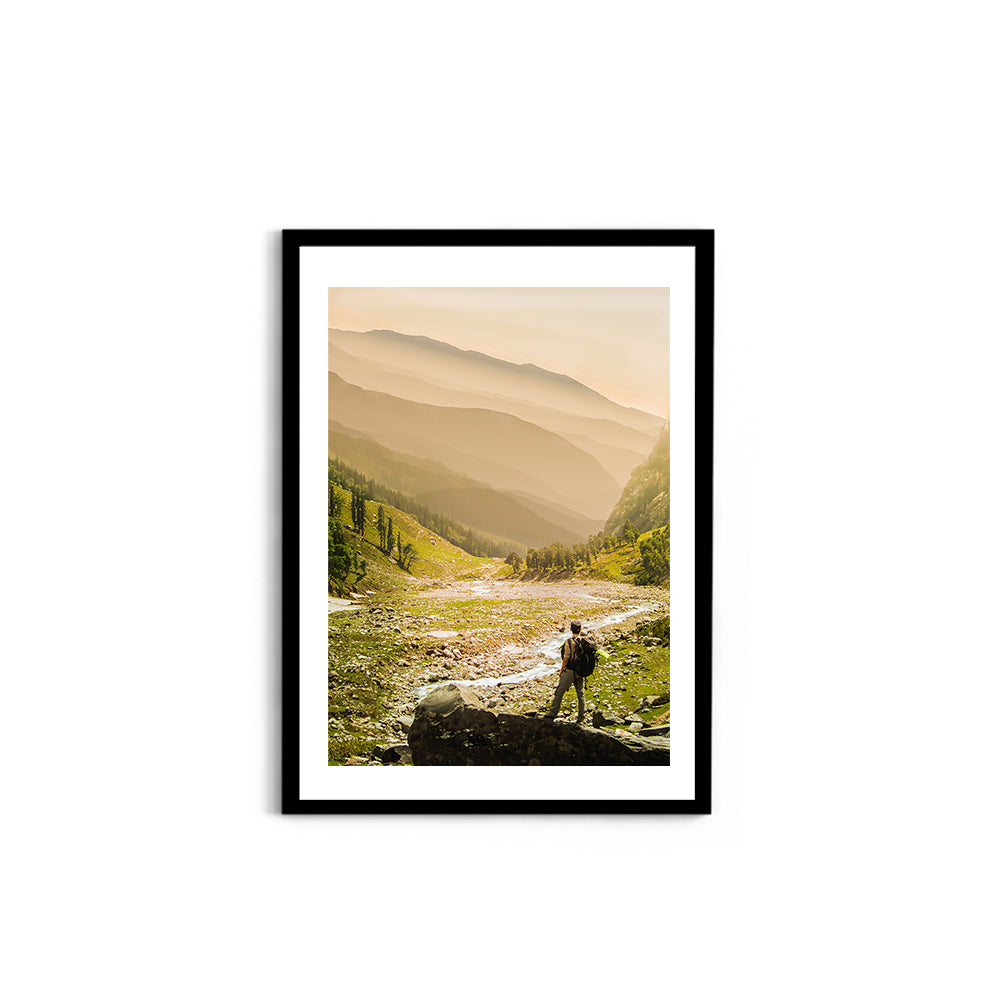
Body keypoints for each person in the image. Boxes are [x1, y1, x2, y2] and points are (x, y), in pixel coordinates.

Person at [543, 619, 587, 723]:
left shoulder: (569, 642)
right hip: (580, 671)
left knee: (559, 692)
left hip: (570, 671)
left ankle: (552, 713)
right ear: (580, 629)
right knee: (580, 694)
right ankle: (582, 717)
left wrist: (561, 670)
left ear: (571, 629)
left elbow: (566, 658)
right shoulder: (584, 641)